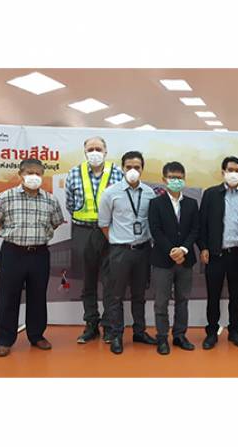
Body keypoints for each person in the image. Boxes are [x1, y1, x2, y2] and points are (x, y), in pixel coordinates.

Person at [0, 158, 64, 357]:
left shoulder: (50, 200)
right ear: (20, 174)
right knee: (8, 297)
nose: (34, 177)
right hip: (13, 253)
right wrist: (12, 234)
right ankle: (5, 340)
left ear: (42, 176)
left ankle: (36, 335)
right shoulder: (4, 197)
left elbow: (56, 222)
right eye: (29, 173)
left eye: (38, 173)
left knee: (38, 296)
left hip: (39, 254)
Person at [98, 151, 158, 355]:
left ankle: (139, 332)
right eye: (129, 167)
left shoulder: (149, 193)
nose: (133, 171)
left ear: (142, 169)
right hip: (120, 251)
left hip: (143, 250)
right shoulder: (110, 193)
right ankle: (116, 335)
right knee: (116, 295)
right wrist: (117, 241)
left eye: (137, 167)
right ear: (122, 168)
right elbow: (104, 224)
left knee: (139, 294)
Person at [65, 136, 123, 344]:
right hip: (83, 231)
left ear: (106, 151)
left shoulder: (117, 172)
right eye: (90, 149)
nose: (94, 153)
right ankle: (91, 324)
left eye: (98, 148)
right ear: (85, 152)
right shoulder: (74, 173)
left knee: (110, 281)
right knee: (87, 281)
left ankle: (108, 325)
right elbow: (70, 204)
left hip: (109, 232)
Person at [198, 156, 238, 349]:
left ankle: (234, 331)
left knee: (236, 297)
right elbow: (202, 224)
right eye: (230, 170)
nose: (234, 174)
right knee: (213, 296)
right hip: (216, 254)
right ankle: (211, 332)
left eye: (237, 171)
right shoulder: (211, 194)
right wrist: (203, 247)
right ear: (223, 172)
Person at [149, 161, 200, 355]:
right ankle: (162, 337)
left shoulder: (191, 203)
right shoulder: (156, 203)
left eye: (179, 177)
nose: (176, 181)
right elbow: (155, 230)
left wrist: (184, 250)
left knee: (182, 299)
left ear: (184, 179)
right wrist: (172, 250)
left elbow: (195, 229)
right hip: (162, 260)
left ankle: (180, 335)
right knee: (161, 301)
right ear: (164, 179)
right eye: (172, 177)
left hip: (186, 260)